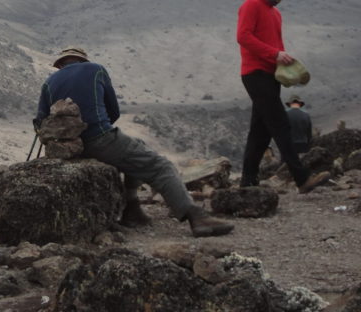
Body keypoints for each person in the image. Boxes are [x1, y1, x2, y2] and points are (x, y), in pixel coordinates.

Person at [35, 47, 233, 238]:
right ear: (82, 60)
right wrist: (99, 127)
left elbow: (40, 121)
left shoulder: (49, 82)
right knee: (160, 166)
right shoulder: (95, 69)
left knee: (136, 144)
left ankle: (133, 210)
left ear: (60, 64)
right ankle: (196, 217)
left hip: (68, 149)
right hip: (100, 138)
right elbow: (114, 111)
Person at [237, 0, 329, 193]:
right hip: (255, 73)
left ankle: (247, 180)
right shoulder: (251, 5)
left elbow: (274, 45)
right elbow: (243, 36)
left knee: (260, 130)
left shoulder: (275, 14)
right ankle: (301, 178)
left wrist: (283, 61)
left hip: (271, 75)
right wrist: (274, 54)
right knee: (280, 123)